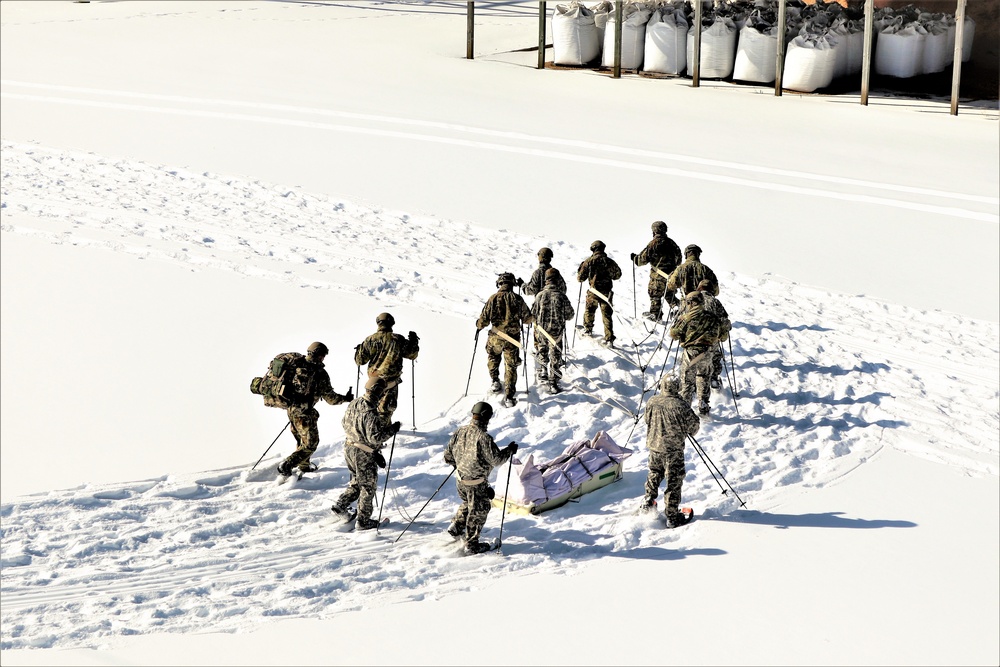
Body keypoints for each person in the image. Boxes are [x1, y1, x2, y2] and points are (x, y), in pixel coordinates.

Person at [443, 401, 518, 555]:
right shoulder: (484, 437)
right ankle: (471, 545)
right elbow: (496, 460)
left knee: (468, 502)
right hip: (475, 482)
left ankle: (457, 525)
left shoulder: (460, 431)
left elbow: (447, 456)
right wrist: (509, 450)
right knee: (480, 509)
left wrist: (461, 466)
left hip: (460, 481)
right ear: (486, 417)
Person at [331, 376, 402, 530]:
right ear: (377, 392)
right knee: (368, 487)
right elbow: (376, 438)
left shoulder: (355, 402)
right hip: (363, 452)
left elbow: (344, 422)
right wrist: (392, 429)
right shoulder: (370, 411)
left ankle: (341, 505)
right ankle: (363, 521)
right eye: (382, 391)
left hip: (349, 447)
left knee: (357, 481)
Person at [276, 342, 353, 477]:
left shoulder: (296, 365)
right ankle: (287, 464)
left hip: (291, 409)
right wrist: (345, 399)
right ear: (320, 355)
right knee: (310, 444)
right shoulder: (320, 373)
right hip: (304, 413)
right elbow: (331, 398)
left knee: (302, 440)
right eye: (323, 355)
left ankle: (304, 466)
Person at [641, 375, 701, 528]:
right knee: (673, 481)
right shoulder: (680, 405)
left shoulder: (652, 401)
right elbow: (694, 428)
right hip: (672, 451)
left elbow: (647, 420)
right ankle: (672, 516)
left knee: (654, 473)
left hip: (654, 447)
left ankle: (648, 501)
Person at [476, 272, 533, 408]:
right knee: (511, 366)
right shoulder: (517, 299)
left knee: (493, 357)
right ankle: (509, 395)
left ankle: (495, 381)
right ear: (512, 284)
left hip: (495, 338)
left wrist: (478, 324)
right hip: (512, 341)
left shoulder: (492, 298)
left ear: (499, 283)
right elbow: (527, 319)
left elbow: (483, 320)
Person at [354, 312, 420, 420]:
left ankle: (370, 430)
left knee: (370, 408)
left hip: (373, 383)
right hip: (390, 383)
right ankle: (381, 432)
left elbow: (360, 360)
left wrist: (360, 350)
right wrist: (414, 342)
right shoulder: (397, 339)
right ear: (391, 323)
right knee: (385, 412)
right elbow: (412, 354)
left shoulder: (370, 340)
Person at [669, 290, 724, 417]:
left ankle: (685, 410)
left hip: (691, 354)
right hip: (707, 353)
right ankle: (703, 404)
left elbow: (674, 334)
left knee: (687, 382)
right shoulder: (712, 318)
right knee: (704, 377)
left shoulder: (686, 318)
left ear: (691, 303)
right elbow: (721, 335)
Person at [529, 268, 575, 393]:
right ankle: (553, 383)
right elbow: (570, 315)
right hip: (556, 334)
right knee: (555, 357)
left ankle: (543, 369)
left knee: (542, 350)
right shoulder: (561, 296)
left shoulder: (539, 295)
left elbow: (532, 314)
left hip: (542, 332)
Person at [630, 220, 682, 322]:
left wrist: (634, 258)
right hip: (672, 276)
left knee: (655, 294)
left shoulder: (653, 244)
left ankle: (655, 314)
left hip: (657, 277)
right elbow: (679, 260)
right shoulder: (672, 244)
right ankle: (677, 308)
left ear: (654, 231)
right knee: (669, 293)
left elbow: (641, 260)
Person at [576, 240, 622, 347]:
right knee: (607, 315)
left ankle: (587, 329)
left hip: (593, 292)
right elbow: (617, 275)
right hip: (607, 294)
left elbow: (580, 278)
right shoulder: (610, 262)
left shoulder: (588, 261)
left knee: (589, 310)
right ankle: (609, 338)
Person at [696, 279, 732, 390]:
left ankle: (692, 382)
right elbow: (724, 319)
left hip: (693, 337)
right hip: (712, 338)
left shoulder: (692, 299)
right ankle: (714, 379)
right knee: (715, 357)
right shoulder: (715, 302)